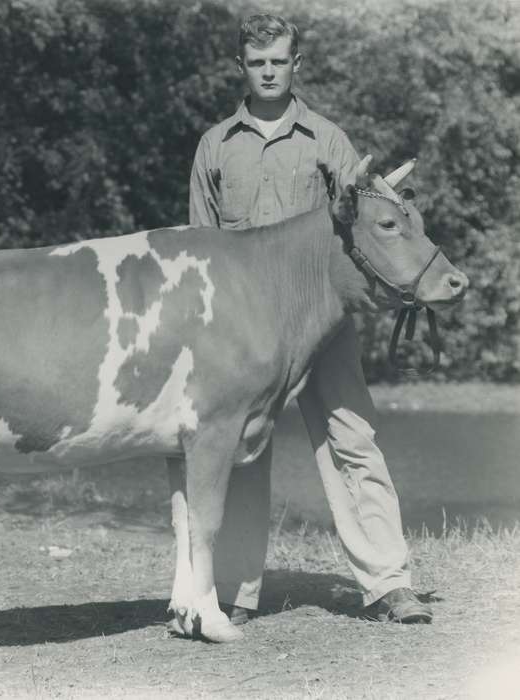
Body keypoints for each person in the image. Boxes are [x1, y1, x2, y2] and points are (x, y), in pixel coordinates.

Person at [186, 13, 432, 624]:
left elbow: (371, 221)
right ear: (240, 66)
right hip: (244, 337)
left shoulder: (327, 139)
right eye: (257, 61)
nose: (269, 71)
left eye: (279, 61)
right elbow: (200, 249)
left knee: (353, 440)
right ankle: (234, 595)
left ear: (298, 64)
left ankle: (389, 584)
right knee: (241, 453)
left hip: (323, 328)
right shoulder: (215, 145)